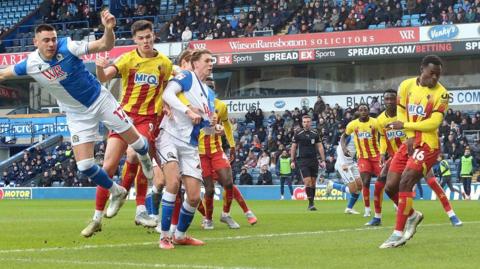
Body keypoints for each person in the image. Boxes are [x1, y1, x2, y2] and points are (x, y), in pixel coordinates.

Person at [0, 11, 153, 229]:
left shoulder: (68, 46)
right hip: (77, 114)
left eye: (53, 39)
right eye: (46, 40)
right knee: (84, 165)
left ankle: (145, 158)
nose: (52, 43)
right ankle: (116, 190)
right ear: (36, 42)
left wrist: (108, 28)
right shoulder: (30, 63)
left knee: (137, 143)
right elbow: (4, 74)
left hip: (99, 100)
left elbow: (104, 45)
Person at [81, 20, 172, 237]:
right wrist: (99, 66)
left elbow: (166, 88)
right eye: (141, 38)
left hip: (147, 119)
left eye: (149, 36)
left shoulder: (165, 63)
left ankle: (140, 208)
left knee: (134, 153)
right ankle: (97, 218)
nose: (146, 41)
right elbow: (104, 78)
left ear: (153, 36)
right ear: (135, 40)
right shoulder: (128, 59)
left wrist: (167, 105)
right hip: (123, 117)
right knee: (108, 166)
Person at [380, 55, 450, 248]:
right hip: (410, 141)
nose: (435, 78)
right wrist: (409, 134)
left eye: (438, 75)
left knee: (406, 181)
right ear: (422, 70)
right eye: (431, 74)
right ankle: (412, 215)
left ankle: (397, 233)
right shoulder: (406, 86)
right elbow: (401, 111)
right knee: (390, 187)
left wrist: (406, 126)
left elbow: (434, 123)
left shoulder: (442, 94)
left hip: (428, 145)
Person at [366, 89, 462, 228]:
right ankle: (378, 217)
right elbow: (382, 137)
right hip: (396, 157)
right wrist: (382, 153)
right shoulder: (380, 120)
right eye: (386, 99)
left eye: (392, 99)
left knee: (432, 182)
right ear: (383, 101)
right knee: (382, 182)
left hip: (416, 153)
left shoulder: (406, 116)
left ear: (397, 100)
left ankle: (452, 214)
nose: (389, 102)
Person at [157, 49, 216, 249]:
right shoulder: (187, 76)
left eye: (212, 61)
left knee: (193, 196)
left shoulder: (209, 94)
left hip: (190, 146)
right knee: (172, 183)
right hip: (170, 137)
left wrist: (213, 125)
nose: (211, 64)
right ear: (194, 63)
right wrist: (187, 110)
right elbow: (167, 94)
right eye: (207, 60)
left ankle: (180, 236)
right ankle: (165, 236)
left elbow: (207, 129)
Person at [199, 77, 257, 230]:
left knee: (229, 183)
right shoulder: (193, 104)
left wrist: (232, 145)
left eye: (211, 86)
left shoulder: (221, 106)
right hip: (198, 153)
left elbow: (227, 125)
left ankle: (225, 214)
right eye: (206, 86)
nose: (209, 89)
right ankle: (208, 218)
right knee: (209, 189)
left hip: (216, 150)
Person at [342, 103, 380, 217]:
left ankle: (396, 204)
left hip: (376, 156)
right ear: (358, 112)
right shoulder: (353, 124)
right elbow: (344, 136)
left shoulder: (375, 122)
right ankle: (367, 209)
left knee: (385, 181)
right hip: (363, 158)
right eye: (361, 110)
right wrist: (344, 148)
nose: (363, 111)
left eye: (365, 109)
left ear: (368, 111)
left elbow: (383, 135)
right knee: (366, 183)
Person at [290, 115, 326, 211]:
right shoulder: (298, 133)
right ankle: (310, 204)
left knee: (313, 183)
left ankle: (312, 202)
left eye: (308, 121)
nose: (306, 123)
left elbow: (320, 146)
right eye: (304, 122)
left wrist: (323, 160)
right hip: (302, 160)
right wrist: (292, 160)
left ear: (311, 122)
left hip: (314, 160)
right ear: (302, 123)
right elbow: (293, 147)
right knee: (308, 181)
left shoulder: (315, 133)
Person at [326, 133, 362, 214]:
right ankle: (332, 185)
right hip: (343, 164)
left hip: (352, 163)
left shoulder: (364, 135)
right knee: (353, 189)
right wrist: (343, 163)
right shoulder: (350, 135)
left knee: (360, 185)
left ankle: (349, 208)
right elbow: (339, 148)